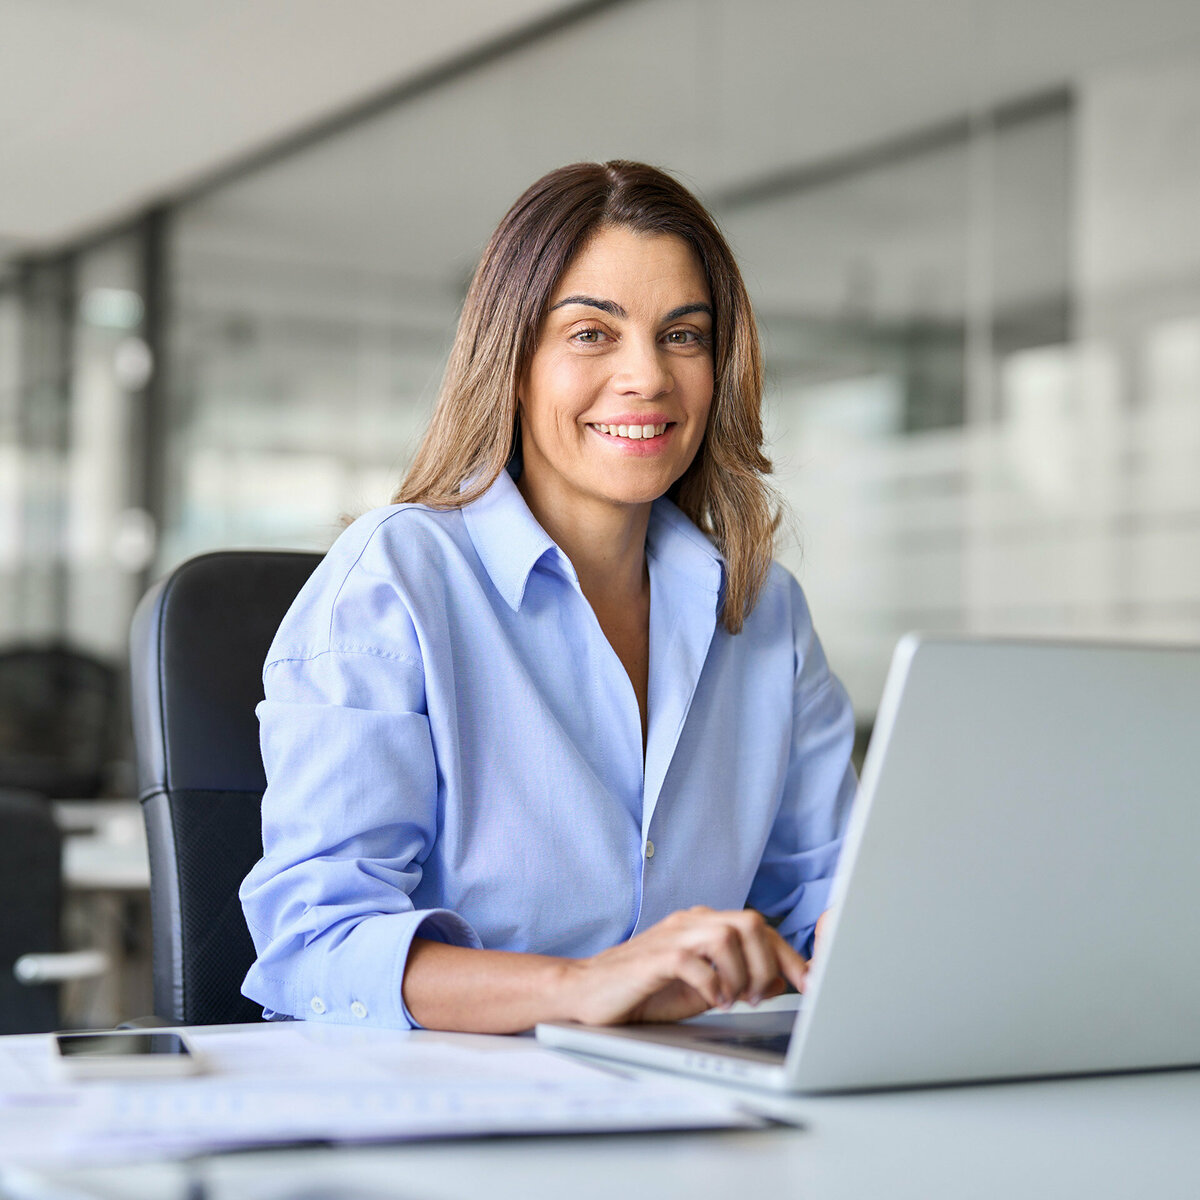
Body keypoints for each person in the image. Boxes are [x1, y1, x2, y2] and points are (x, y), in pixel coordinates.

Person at [239, 160, 856, 1033]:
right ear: (515, 360)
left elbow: (822, 898)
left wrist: (871, 938)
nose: (647, 375)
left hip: (690, 1112)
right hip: (445, 1121)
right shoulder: (395, 582)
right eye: (593, 334)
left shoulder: (764, 613)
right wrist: (582, 988)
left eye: (683, 335)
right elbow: (317, 946)